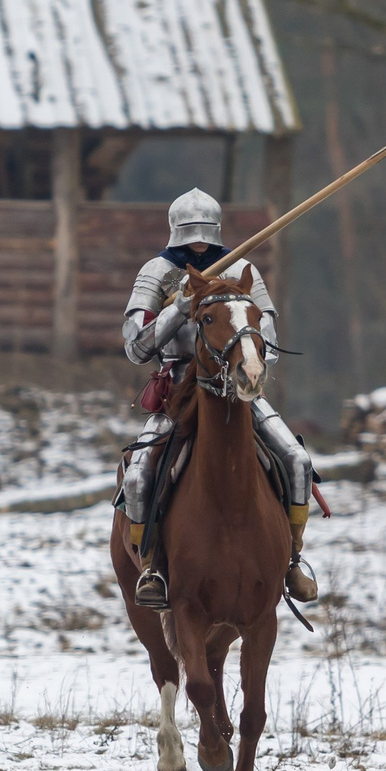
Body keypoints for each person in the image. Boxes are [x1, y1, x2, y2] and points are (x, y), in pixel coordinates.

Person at [118, 188, 319, 611]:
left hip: (238, 388)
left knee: (297, 461)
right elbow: (136, 347)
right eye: (192, 236)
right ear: (177, 233)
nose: (200, 243)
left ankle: (291, 560)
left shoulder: (243, 266)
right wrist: (180, 308)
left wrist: (248, 357)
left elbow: (270, 337)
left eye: (204, 235)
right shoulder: (158, 271)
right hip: (178, 390)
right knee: (138, 478)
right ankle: (152, 565)